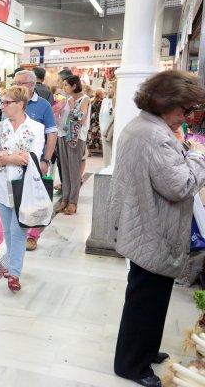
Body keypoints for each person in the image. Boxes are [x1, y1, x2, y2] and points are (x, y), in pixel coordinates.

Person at [110, 70, 205, 387]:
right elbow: (181, 185)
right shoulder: (154, 136)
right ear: (166, 103)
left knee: (150, 298)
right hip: (152, 231)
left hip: (146, 227)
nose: (187, 116)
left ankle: (146, 351)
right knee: (144, 302)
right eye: (184, 110)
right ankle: (131, 366)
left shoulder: (146, 127)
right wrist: (198, 156)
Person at [0, 86, 45, 291]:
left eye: (6, 102)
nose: (2, 106)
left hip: (25, 187)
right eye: (2, 102)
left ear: (20, 104)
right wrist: (13, 157)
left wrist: (4, 157)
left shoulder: (36, 128)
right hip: (1, 188)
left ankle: (14, 273)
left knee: (17, 230)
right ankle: (12, 265)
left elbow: (32, 157)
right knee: (7, 230)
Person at [12, 70, 58, 251]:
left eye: (19, 83)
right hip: (12, 161)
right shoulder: (12, 103)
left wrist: (45, 160)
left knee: (36, 198)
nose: (15, 86)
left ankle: (32, 236)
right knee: (8, 198)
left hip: (35, 161)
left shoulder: (43, 105)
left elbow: (52, 134)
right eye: (14, 82)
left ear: (31, 85)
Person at [56, 75, 90, 216]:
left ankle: (73, 202)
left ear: (74, 86)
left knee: (74, 171)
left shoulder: (85, 99)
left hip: (76, 137)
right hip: (62, 135)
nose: (64, 88)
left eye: (66, 85)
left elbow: (80, 120)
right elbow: (62, 119)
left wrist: (71, 107)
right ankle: (65, 199)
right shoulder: (67, 100)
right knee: (64, 169)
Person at [99, 80, 116, 167]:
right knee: (106, 152)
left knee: (114, 150)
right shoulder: (105, 100)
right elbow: (101, 115)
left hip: (114, 129)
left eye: (111, 87)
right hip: (104, 129)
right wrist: (101, 127)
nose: (108, 89)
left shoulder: (118, 101)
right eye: (108, 87)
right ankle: (106, 168)